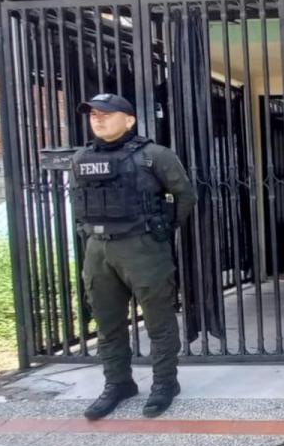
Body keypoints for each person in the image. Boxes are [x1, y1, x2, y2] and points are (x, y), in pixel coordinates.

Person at [71, 93, 196, 420]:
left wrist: (163, 230)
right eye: (93, 114)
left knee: (159, 320)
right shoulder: (81, 158)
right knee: (108, 323)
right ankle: (118, 383)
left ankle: (165, 384)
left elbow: (185, 195)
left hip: (142, 248)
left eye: (106, 114)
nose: (97, 119)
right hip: (98, 250)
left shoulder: (155, 156)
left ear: (129, 120)